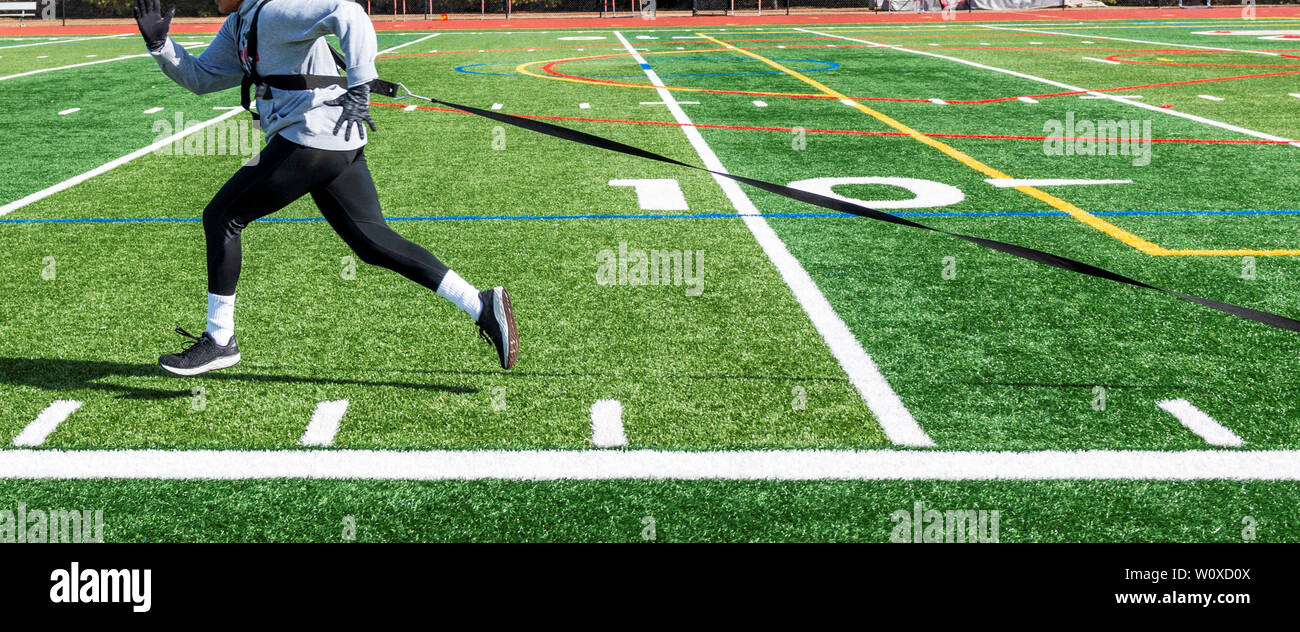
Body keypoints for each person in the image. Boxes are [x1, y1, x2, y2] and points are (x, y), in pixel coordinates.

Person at [133, 0, 518, 375]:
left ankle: (220, 340)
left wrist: (361, 85)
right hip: (332, 140)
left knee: (223, 217)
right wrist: (161, 47)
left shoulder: (273, 11)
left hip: (311, 137)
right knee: (371, 241)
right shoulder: (241, 22)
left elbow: (349, 12)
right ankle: (480, 304)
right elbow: (203, 78)